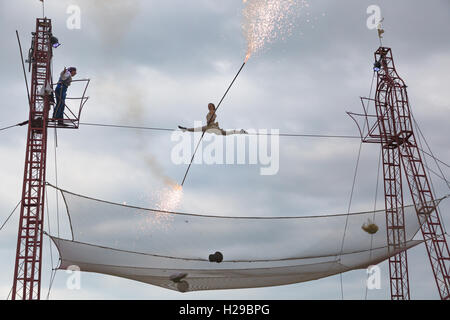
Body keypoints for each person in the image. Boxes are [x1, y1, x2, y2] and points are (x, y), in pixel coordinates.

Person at [179, 103, 247, 136]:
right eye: (208, 106)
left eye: (210, 106)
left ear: (213, 107)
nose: (209, 107)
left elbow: (212, 118)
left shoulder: (213, 113)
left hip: (214, 127)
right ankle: (185, 129)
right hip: (209, 127)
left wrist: (210, 118)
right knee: (198, 128)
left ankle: (240, 132)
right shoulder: (209, 114)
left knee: (226, 133)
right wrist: (208, 122)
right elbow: (208, 120)